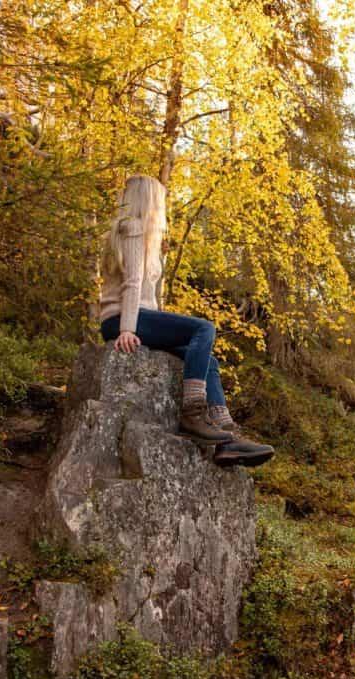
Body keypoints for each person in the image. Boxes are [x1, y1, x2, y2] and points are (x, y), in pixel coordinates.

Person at [97, 174, 273, 467]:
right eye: (160, 201)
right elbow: (132, 283)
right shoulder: (134, 228)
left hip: (139, 316)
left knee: (209, 362)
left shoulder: (143, 236)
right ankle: (192, 413)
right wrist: (127, 329)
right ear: (149, 202)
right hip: (121, 319)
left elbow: (147, 294)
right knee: (203, 329)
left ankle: (225, 442)